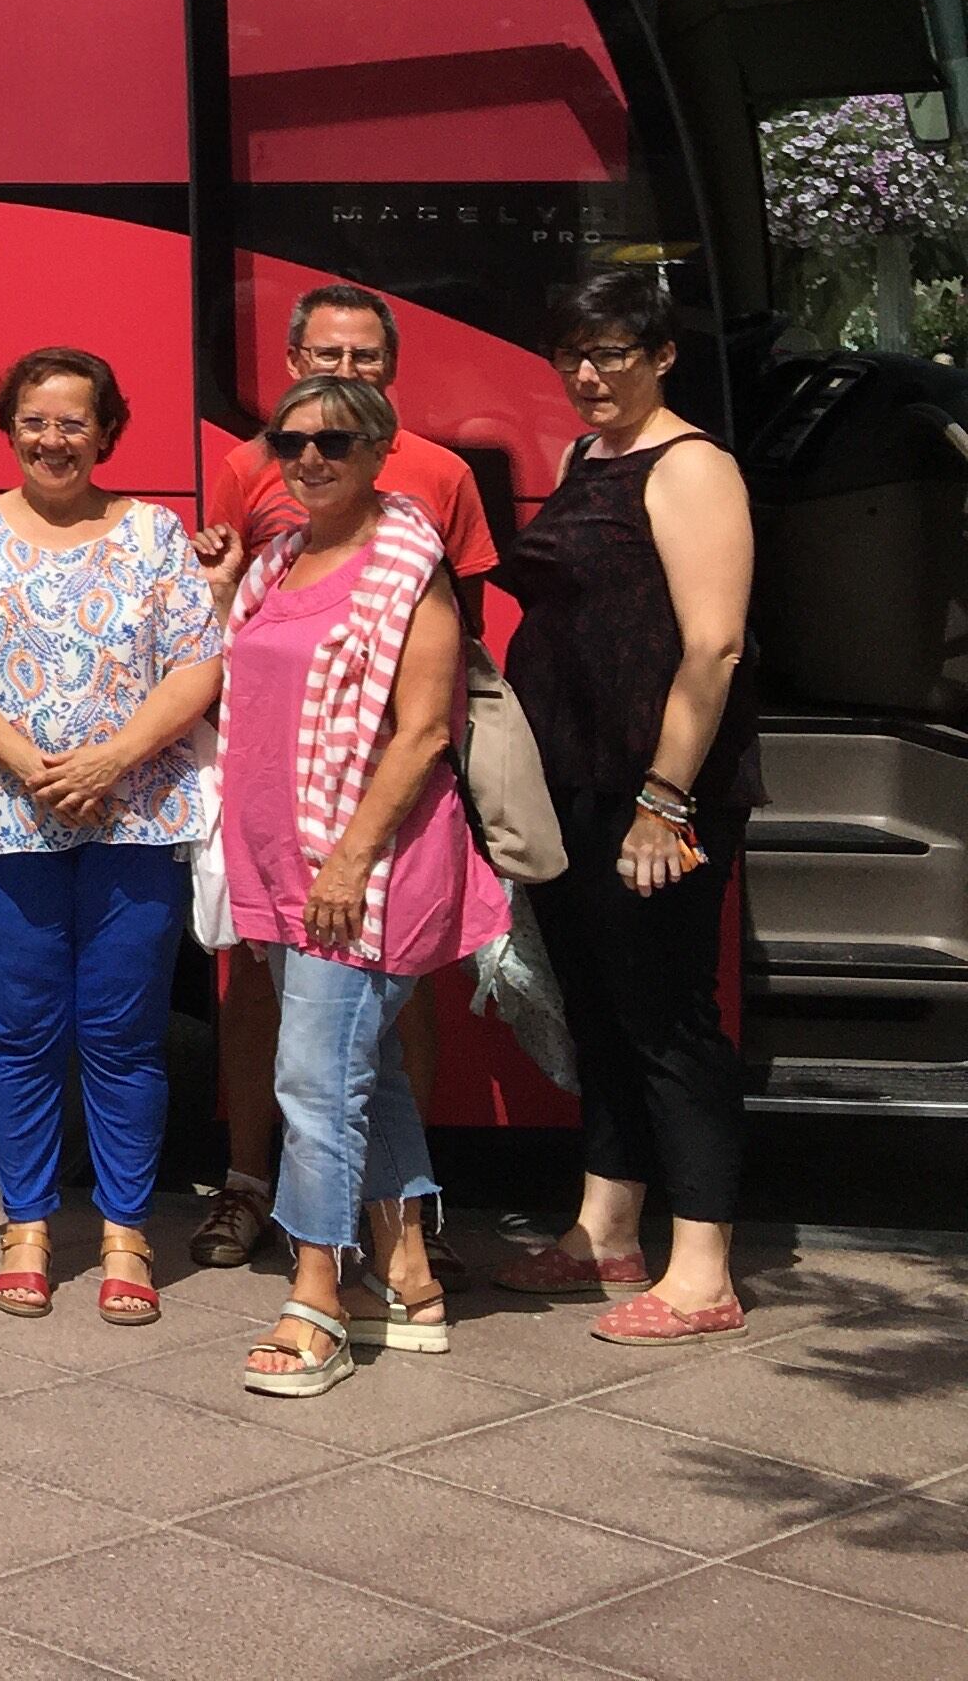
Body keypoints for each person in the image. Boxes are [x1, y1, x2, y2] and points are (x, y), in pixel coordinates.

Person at [194, 376, 505, 1395]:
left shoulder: (413, 570)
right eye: (292, 441)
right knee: (358, 1066)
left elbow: (423, 733)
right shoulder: (275, 562)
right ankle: (406, 1279)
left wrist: (347, 857)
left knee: (314, 1084)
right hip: (282, 862)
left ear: (379, 452)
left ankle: (320, 1296)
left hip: (360, 868)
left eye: (335, 441)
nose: (310, 459)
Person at [0, 346, 218, 1326]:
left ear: (106, 431)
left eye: (74, 422)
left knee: (123, 1032)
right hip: (4, 815)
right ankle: (29, 1223)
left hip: (133, 816)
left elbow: (197, 668)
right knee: (22, 1030)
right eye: (36, 421)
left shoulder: (156, 535)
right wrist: (36, 765)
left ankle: (126, 1228)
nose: (54, 440)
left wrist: (107, 763)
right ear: (10, 426)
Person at [492, 268, 759, 1344]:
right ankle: (607, 1230)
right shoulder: (580, 455)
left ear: (662, 356)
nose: (590, 374)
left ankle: (705, 1271)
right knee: (599, 1006)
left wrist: (665, 801)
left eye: (612, 352)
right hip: (573, 777)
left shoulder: (693, 467)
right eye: (573, 354)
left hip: (655, 789)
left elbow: (715, 647)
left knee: (668, 1018)